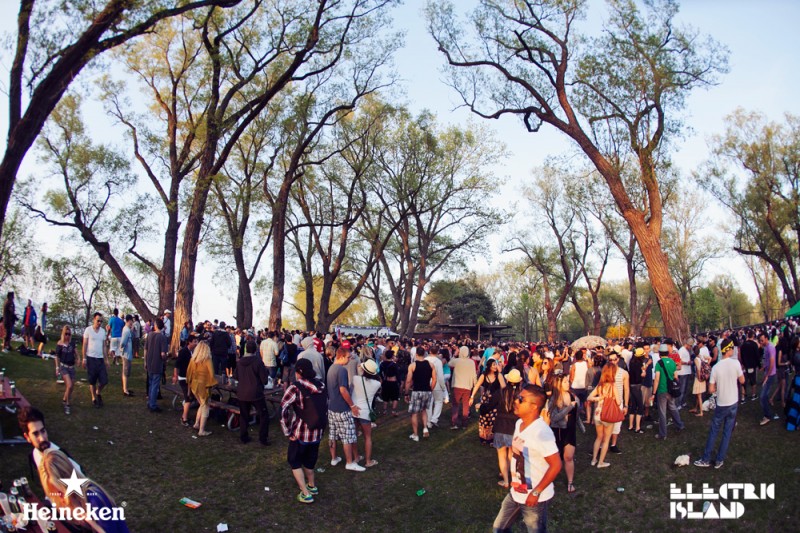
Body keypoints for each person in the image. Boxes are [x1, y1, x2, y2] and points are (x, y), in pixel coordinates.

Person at [491, 385, 562, 533]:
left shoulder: (541, 432)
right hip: (516, 492)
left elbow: (556, 465)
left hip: (534, 497)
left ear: (534, 406)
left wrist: (536, 492)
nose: (515, 401)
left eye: (521, 399)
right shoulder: (519, 424)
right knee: (499, 528)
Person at [39, 448, 130, 532]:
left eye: (60, 492)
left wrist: (91, 523)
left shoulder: (94, 499)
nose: (59, 497)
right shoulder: (71, 498)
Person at [694, 338, 745, 469]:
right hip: (733, 402)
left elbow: (711, 389)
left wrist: (717, 386)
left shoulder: (716, 367)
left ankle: (706, 459)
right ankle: (719, 460)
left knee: (714, 431)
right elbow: (742, 380)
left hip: (722, 403)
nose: (733, 350)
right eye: (732, 348)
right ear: (728, 350)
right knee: (727, 432)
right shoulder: (736, 364)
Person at [280, 359, 325, 504]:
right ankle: (312, 485)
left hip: (300, 432)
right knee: (310, 460)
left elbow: (283, 408)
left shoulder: (295, 387)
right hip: (317, 432)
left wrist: (287, 431)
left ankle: (305, 493)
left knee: (294, 461)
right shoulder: (321, 385)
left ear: (299, 372)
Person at [18, 406, 83, 495]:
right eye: (35, 434)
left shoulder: (62, 458)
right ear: (27, 437)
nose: (42, 438)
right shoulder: (35, 454)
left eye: (43, 431)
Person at [327, 346, 365, 471]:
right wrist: (352, 406)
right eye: (348, 357)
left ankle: (334, 458)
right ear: (342, 356)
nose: (349, 360)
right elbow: (343, 390)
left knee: (332, 435)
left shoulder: (331, 368)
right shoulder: (342, 370)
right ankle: (349, 462)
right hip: (342, 409)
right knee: (348, 437)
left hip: (332, 407)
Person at [234, 339, 271, 445]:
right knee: (263, 415)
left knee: (244, 415)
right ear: (255, 350)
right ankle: (263, 438)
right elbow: (264, 380)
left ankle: (244, 436)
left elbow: (236, 376)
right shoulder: (258, 362)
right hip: (255, 393)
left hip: (242, 392)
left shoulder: (240, 362)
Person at [546, 373, 578, 493]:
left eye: (568, 381)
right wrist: (569, 407)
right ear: (558, 384)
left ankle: (570, 482)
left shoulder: (572, 396)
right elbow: (554, 418)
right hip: (557, 431)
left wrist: (580, 426)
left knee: (568, 457)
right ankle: (548, 481)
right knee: (556, 458)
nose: (567, 383)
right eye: (565, 382)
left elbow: (576, 415)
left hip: (570, 430)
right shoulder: (553, 400)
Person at [494, 368, 523, 488]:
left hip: (500, 426)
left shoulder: (501, 393)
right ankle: (513, 478)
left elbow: (490, 404)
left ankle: (506, 481)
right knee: (512, 454)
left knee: (502, 455)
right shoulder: (521, 395)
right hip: (514, 427)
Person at [587, 364, 619, 468]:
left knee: (598, 437)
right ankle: (601, 462)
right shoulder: (613, 386)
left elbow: (589, 397)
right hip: (608, 415)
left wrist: (599, 398)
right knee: (606, 439)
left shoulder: (600, 385)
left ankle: (593, 459)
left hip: (597, 414)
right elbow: (619, 402)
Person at [351, 359, 382, 468]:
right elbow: (379, 379)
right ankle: (368, 461)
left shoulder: (355, 379)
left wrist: (361, 367)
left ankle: (356, 457)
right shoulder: (377, 384)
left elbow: (358, 369)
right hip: (365, 412)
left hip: (354, 410)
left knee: (354, 435)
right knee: (367, 437)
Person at [470, 358, 505, 445]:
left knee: (493, 419)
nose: (495, 367)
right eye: (494, 365)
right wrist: (472, 396)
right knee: (484, 418)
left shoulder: (499, 375)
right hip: (485, 400)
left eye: (496, 364)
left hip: (495, 400)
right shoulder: (484, 375)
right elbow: (477, 385)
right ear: (489, 366)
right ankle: (483, 437)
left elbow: (504, 388)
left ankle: (491, 439)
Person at [653, 343, 685, 439]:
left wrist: (654, 392)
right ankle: (679, 424)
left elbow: (657, 379)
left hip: (662, 390)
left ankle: (663, 434)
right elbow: (675, 376)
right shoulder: (672, 362)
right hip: (671, 390)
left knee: (662, 412)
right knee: (673, 407)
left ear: (660, 353)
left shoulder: (659, 364)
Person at [406, 346, 436, 442]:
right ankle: (425, 428)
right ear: (424, 354)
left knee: (414, 413)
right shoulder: (431, 365)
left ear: (416, 354)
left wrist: (406, 393)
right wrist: (431, 389)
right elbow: (434, 379)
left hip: (417, 391)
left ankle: (415, 435)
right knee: (424, 410)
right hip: (427, 390)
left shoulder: (412, 366)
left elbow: (408, 381)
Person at [187, 341, 216, 436]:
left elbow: (188, 373)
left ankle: (196, 423)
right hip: (203, 386)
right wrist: (213, 384)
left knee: (202, 404)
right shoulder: (207, 360)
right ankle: (201, 430)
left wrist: (189, 386)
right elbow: (211, 374)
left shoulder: (193, 359)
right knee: (205, 406)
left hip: (194, 385)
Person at [82, 312, 108, 408]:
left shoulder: (102, 331)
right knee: (92, 380)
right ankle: (93, 398)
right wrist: (84, 358)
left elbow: (104, 346)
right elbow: (84, 344)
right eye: (98, 321)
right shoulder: (88, 330)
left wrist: (106, 359)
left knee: (104, 380)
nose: (99, 323)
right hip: (91, 358)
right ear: (94, 320)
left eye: (101, 321)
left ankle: (98, 392)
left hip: (100, 359)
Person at [173, 333, 199, 427]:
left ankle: (186, 412)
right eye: (194, 342)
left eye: (197, 341)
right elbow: (177, 364)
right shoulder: (184, 352)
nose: (196, 343)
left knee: (191, 396)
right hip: (184, 378)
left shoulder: (193, 352)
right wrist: (175, 375)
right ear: (189, 342)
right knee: (188, 398)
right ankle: (184, 418)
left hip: (190, 378)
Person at [449, 345, 478, 429]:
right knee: (466, 405)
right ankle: (464, 423)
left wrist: (454, 355)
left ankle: (455, 423)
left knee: (455, 405)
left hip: (457, 385)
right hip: (467, 386)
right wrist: (475, 384)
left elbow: (449, 363)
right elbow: (474, 374)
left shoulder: (457, 361)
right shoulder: (471, 362)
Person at [606, 352, 629, 454]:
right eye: (610, 360)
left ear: (618, 360)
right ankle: (603, 444)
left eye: (614, 359)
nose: (612, 362)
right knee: (605, 424)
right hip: (607, 402)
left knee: (617, 425)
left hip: (618, 403)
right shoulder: (605, 372)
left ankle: (613, 444)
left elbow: (626, 389)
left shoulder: (624, 373)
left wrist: (626, 405)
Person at [145, 318, 169, 413]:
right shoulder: (162, 338)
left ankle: (150, 402)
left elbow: (145, 349)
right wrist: (166, 359)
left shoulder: (149, 335)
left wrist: (145, 362)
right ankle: (153, 405)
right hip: (157, 364)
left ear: (155, 326)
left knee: (151, 383)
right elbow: (163, 354)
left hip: (149, 363)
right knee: (155, 385)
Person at [55, 326, 77, 415]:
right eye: (66, 334)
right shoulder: (60, 343)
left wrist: (79, 358)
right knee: (69, 385)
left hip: (72, 367)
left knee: (71, 387)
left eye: (69, 334)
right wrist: (57, 368)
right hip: (64, 367)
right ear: (63, 334)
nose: (67, 336)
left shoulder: (72, 343)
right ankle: (67, 404)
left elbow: (75, 352)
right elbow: (57, 356)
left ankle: (64, 399)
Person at [758, 331, 779, 425]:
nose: (761, 342)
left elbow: (772, 363)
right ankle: (769, 413)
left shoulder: (770, 347)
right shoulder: (766, 347)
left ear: (766, 338)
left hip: (770, 375)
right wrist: (763, 367)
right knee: (765, 396)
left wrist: (767, 376)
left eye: (762, 340)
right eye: (760, 340)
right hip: (768, 373)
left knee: (762, 397)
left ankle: (768, 416)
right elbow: (767, 361)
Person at [425, 345, 447, 429]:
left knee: (429, 403)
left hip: (427, 383)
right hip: (436, 383)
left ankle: (429, 422)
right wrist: (443, 387)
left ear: (430, 351)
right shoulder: (438, 361)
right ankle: (434, 419)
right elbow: (440, 376)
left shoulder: (425, 360)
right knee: (439, 401)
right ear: (437, 352)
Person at [627, 347, 646, 432]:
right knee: (640, 406)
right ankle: (637, 427)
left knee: (633, 405)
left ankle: (630, 426)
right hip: (637, 386)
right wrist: (643, 374)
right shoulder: (639, 364)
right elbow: (638, 378)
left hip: (631, 385)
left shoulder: (632, 362)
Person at [739, 330, 760, 401]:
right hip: (752, 365)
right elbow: (757, 355)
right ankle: (753, 394)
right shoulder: (754, 344)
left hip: (745, 365)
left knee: (744, 382)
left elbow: (741, 355)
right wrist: (759, 365)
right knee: (753, 381)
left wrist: (742, 363)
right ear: (753, 336)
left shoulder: (743, 345)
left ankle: (743, 397)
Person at [379, 349, 400, 417]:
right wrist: (399, 382)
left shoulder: (382, 364)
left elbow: (380, 373)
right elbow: (397, 374)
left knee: (385, 397)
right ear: (392, 356)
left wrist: (382, 378)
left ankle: (384, 410)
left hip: (385, 381)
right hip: (393, 382)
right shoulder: (394, 365)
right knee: (395, 397)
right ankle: (393, 411)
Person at [690, 348, 710, 416]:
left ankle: (701, 412)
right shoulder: (701, 357)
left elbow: (698, 369)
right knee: (698, 395)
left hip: (699, 378)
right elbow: (710, 358)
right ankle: (696, 408)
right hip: (703, 377)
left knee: (699, 395)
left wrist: (699, 378)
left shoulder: (696, 359)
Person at [119, 314, 135, 397]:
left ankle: (126, 388)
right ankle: (125, 390)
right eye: (132, 321)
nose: (132, 323)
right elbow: (122, 343)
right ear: (129, 321)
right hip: (126, 355)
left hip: (128, 354)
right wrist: (122, 351)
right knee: (125, 372)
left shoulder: (128, 330)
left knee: (127, 372)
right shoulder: (126, 330)